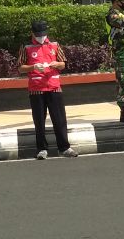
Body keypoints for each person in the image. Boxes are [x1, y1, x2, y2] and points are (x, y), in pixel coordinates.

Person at [17, 19, 78, 159]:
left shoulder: (54, 45)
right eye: (38, 35)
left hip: (54, 87)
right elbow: (20, 68)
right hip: (36, 88)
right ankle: (42, 149)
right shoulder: (26, 47)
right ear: (32, 33)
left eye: (43, 34)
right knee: (39, 121)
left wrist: (57, 64)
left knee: (59, 119)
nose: (41, 37)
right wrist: (33, 67)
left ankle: (64, 147)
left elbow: (63, 64)